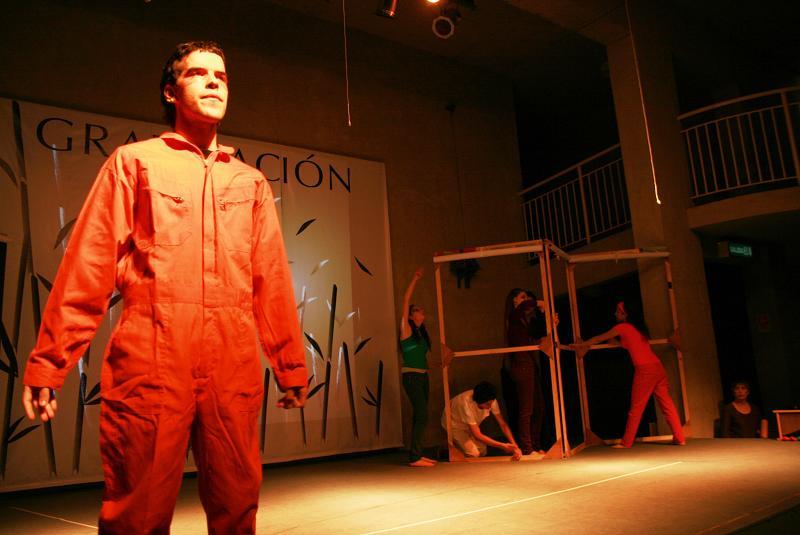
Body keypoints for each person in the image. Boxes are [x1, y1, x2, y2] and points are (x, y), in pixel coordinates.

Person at [22, 41, 308, 533]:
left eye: (222, 75)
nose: (214, 81)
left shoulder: (250, 183)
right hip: (151, 356)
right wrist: (50, 362)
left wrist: (290, 364)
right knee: (138, 511)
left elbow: (271, 281)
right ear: (170, 92)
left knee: (238, 504)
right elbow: (88, 265)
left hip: (232, 360)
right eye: (198, 73)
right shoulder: (134, 163)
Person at [571, 300, 685, 448]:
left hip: (645, 370)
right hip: (657, 368)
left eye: (618, 312)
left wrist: (581, 345)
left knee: (636, 408)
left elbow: (599, 338)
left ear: (625, 314)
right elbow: (626, 345)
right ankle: (680, 438)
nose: (615, 314)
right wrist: (613, 342)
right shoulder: (637, 329)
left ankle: (627, 442)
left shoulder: (623, 327)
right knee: (666, 404)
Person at [399, 267, 441, 467]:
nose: (420, 311)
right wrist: (415, 278)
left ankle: (417, 453)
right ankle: (414, 457)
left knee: (421, 415)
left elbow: (420, 359)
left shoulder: (421, 334)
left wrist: (437, 364)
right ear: (410, 316)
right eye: (416, 310)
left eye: (421, 310)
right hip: (411, 378)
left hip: (423, 377)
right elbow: (405, 300)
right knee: (422, 414)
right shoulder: (406, 330)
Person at [504, 289, 547, 455]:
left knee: (539, 406)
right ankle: (528, 448)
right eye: (522, 297)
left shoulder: (522, 321)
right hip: (522, 364)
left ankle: (535, 445)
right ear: (514, 301)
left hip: (529, 363)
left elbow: (531, 341)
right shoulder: (514, 316)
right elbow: (524, 307)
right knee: (526, 409)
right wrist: (539, 303)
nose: (525, 300)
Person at [443, 381, 522, 459]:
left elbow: (503, 424)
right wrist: (503, 446)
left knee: (482, 450)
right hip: (454, 424)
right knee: (474, 454)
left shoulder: (490, 399)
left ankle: (454, 448)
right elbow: (477, 435)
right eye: (487, 404)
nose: (490, 406)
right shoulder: (465, 404)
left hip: (470, 425)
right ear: (477, 401)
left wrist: (515, 446)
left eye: (491, 403)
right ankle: (447, 451)